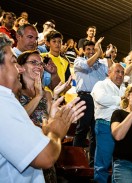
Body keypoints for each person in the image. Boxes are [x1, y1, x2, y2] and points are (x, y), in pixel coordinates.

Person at [0, 33, 86, 182]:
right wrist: (55, 132)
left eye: (40, 64)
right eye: (14, 62)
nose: (19, 70)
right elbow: (45, 157)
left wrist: (51, 122)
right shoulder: (3, 103)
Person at [73, 38, 112, 167]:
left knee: (96, 132)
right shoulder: (79, 61)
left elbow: (111, 71)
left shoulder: (100, 64)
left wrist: (106, 55)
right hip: (84, 98)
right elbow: (86, 65)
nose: (90, 52)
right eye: (88, 49)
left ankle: (93, 164)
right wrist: (97, 53)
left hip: (98, 100)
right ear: (83, 51)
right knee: (82, 129)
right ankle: (76, 162)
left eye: (93, 49)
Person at [91, 63, 126, 183]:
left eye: (122, 72)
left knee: (119, 164)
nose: (120, 75)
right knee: (103, 163)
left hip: (122, 128)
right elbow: (101, 99)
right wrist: (121, 100)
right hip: (105, 126)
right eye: (117, 71)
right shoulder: (101, 84)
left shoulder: (125, 88)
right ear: (109, 72)